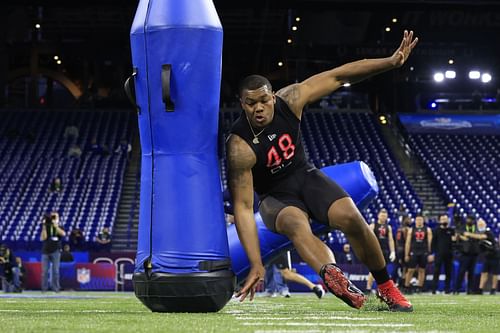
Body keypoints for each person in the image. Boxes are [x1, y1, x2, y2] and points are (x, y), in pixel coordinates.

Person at [226, 30, 417, 311]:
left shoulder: (289, 99)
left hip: (306, 176)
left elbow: (339, 75)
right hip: (274, 197)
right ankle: (332, 275)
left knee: (351, 217)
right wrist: (255, 263)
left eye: (264, 100)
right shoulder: (239, 145)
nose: (259, 108)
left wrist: (389, 62)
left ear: (272, 98)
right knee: (295, 224)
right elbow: (243, 208)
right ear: (242, 104)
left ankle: (387, 288)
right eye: (251, 103)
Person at [366, 208, 396, 294]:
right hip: (375, 250)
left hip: (385, 250)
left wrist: (393, 251)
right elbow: (368, 239)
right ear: (378, 215)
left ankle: (380, 289)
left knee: (383, 270)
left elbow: (390, 240)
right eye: (382, 215)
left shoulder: (388, 227)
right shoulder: (373, 225)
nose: (383, 217)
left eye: (385, 216)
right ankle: (368, 288)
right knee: (373, 270)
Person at [404, 215, 432, 293]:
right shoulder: (411, 229)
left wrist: (430, 253)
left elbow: (430, 243)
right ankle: (406, 286)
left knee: (422, 270)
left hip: (423, 252)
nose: (419, 221)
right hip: (414, 252)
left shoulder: (428, 230)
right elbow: (408, 243)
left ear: (423, 221)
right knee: (410, 270)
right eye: (417, 220)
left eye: (420, 220)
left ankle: (420, 287)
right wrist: (406, 254)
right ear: (415, 221)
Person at [454, 215, 481, 294]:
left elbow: (481, 236)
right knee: (461, 272)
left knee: (471, 273)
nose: (469, 221)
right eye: (468, 219)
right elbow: (457, 235)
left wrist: (468, 235)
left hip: (474, 253)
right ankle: (457, 289)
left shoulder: (477, 228)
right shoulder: (462, 227)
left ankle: (470, 290)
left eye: (471, 220)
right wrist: (462, 237)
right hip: (464, 253)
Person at [40, 212, 66, 292]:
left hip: (56, 251)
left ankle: (56, 288)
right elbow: (42, 238)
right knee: (44, 271)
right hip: (46, 251)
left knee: (55, 271)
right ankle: (44, 289)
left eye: (55, 217)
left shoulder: (60, 226)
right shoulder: (46, 226)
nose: (53, 218)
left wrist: (56, 226)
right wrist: (44, 227)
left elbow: (63, 234)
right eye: (52, 217)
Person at [430, 214, 456, 294]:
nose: (444, 221)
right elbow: (433, 243)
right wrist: (432, 253)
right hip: (439, 254)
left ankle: (447, 289)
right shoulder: (436, 230)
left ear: (448, 220)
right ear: (439, 220)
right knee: (436, 271)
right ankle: (434, 289)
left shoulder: (451, 230)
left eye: (445, 219)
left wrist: (455, 240)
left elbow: (454, 243)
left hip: (449, 254)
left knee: (448, 272)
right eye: (442, 219)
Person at [474, 219, 498, 294]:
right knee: (484, 273)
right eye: (479, 225)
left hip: (495, 256)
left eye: (481, 224)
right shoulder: (478, 233)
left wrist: (467, 234)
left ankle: (493, 289)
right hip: (486, 256)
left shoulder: (488, 232)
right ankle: (480, 289)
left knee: (495, 273)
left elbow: (482, 237)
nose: (480, 226)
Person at [394, 215, 411, 287]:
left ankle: (399, 283)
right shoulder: (406, 229)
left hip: (398, 249)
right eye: (408, 219)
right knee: (404, 268)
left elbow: (396, 241)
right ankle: (402, 284)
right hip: (403, 250)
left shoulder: (399, 229)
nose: (410, 221)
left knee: (400, 268)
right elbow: (407, 241)